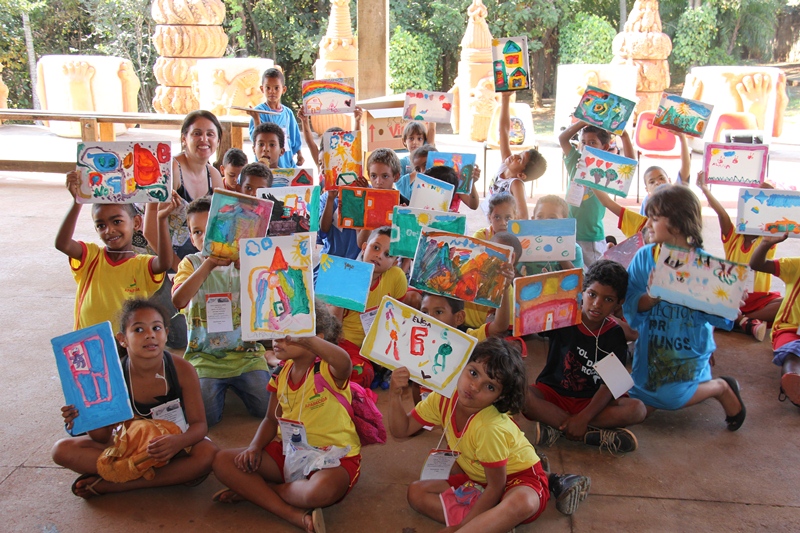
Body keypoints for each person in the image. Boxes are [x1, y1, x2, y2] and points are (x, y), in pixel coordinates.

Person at [211, 305, 359, 533]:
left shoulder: (327, 370)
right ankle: (291, 513)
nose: (276, 340)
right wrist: (254, 447)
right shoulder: (281, 372)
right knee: (222, 462)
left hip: (334, 457)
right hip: (290, 452)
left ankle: (261, 492)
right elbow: (271, 420)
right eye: (275, 333)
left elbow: (345, 362)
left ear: (314, 338)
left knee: (319, 493)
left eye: (286, 334)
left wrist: (308, 339)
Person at [388, 338, 561, 531]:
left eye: (490, 387)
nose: (474, 387)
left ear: (500, 396)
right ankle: (490, 523)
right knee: (416, 492)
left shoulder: (490, 427)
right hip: (479, 481)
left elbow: (498, 485)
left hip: (520, 479)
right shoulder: (443, 398)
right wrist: (394, 394)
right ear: (462, 366)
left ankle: (486, 521)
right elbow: (401, 429)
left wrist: (461, 526)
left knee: (522, 503)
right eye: (473, 373)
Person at [52, 299, 216, 498]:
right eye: (139, 330)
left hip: (172, 447)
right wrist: (86, 416)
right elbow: (102, 437)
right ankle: (153, 474)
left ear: (166, 334)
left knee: (207, 454)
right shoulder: (111, 376)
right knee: (61, 450)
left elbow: (199, 425)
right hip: (129, 445)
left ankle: (118, 483)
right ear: (122, 339)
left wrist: (178, 442)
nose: (150, 335)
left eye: (156, 328)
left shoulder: (182, 369)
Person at [623, 185, 746, 430]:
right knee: (634, 406)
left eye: (655, 219)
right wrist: (651, 296)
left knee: (671, 399)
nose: (647, 224)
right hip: (651, 351)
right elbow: (630, 302)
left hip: (688, 352)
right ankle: (682, 391)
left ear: (677, 225)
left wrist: (730, 304)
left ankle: (720, 388)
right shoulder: (644, 257)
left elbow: (721, 317)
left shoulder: (706, 268)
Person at [523, 260, 646, 453]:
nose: (597, 304)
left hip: (592, 402)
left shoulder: (614, 335)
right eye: (592, 294)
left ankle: (561, 427)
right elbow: (527, 323)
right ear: (582, 291)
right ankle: (589, 433)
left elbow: (609, 387)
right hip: (554, 394)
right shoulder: (563, 318)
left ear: (618, 303)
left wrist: (584, 417)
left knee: (638, 409)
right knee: (520, 395)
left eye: (608, 299)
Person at [171, 197, 270, 427]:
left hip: (246, 355)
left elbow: (268, 299)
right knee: (206, 418)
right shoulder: (190, 263)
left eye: (213, 230)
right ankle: (217, 385)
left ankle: (257, 374)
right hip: (204, 357)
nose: (205, 238)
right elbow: (179, 300)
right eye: (197, 232)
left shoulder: (246, 260)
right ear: (191, 236)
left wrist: (249, 266)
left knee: (265, 408)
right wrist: (209, 265)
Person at [143, 110, 225, 348]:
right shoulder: (170, 171)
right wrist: (181, 266)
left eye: (211, 134)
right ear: (183, 138)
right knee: (180, 335)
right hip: (167, 260)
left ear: (218, 141)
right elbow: (149, 231)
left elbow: (221, 225)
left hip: (201, 259)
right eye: (197, 133)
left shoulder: (214, 175)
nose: (204, 140)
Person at [55, 172, 173, 331]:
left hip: (129, 345)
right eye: (101, 225)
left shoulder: (142, 264)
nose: (109, 230)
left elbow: (165, 262)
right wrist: (77, 201)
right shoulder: (91, 256)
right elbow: (62, 244)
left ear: (136, 222)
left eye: (117, 222)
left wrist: (161, 219)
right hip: (90, 342)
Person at [697, 171, 781, 341]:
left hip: (759, 299)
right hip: (733, 295)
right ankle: (742, 320)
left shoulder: (768, 239)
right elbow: (721, 214)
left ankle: (738, 320)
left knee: (787, 304)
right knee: (700, 296)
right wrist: (704, 188)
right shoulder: (733, 238)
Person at [333, 226, 408, 387]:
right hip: (346, 343)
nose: (379, 255)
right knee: (355, 371)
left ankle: (377, 368)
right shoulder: (347, 274)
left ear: (394, 262)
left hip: (378, 344)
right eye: (375, 248)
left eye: (388, 255)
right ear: (364, 247)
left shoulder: (396, 276)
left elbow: (398, 318)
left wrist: (384, 351)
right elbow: (334, 326)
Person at [558, 118, 634, 266]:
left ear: (605, 147)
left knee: (591, 273)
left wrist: (624, 136)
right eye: (584, 142)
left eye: (592, 142)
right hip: (569, 231)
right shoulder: (576, 160)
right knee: (571, 273)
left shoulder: (607, 167)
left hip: (591, 236)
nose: (586, 146)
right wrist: (582, 122)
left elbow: (630, 163)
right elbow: (563, 139)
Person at [749, 233, 800, 408]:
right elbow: (757, 264)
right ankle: (794, 383)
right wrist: (765, 244)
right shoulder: (797, 266)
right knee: (792, 355)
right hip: (790, 330)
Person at [487, 93, 547, 219]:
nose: (514, 156)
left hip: (504, 231)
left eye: (519, 159)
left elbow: (523, 216)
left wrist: (504, 223)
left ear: (521, 175)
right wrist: (505, 99)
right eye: (518, 154)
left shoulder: (516, 184)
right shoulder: (505, 164)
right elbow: (503, 130)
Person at [245, 67, 304, 168]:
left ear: (283, 89)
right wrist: (256, 119)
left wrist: (299, 154)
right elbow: (257, 138)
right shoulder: (258, 111)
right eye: (268, 88)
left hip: (286, 163)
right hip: (266, 165)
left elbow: (294, 137)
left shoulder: (287, 113)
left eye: (276, 88)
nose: (272, 91)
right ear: (262, 89)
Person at [519, 194, 584, 275]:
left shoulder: (574, 250)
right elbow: (514, 276)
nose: (545, 222)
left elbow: (578, 281)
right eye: (540, 217)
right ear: (533, 219)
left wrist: (560, 254)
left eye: (552, 218)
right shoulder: (526, 246)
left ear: (564, 223)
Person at [638, 132, 691, 215]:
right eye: (652, 182)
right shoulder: (646, 202)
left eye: (661, 178)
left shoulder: (675, 194)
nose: (658, 182)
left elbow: (686, 166)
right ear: (647, 189)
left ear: (669, 181)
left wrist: (682, 138)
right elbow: (641, 224)